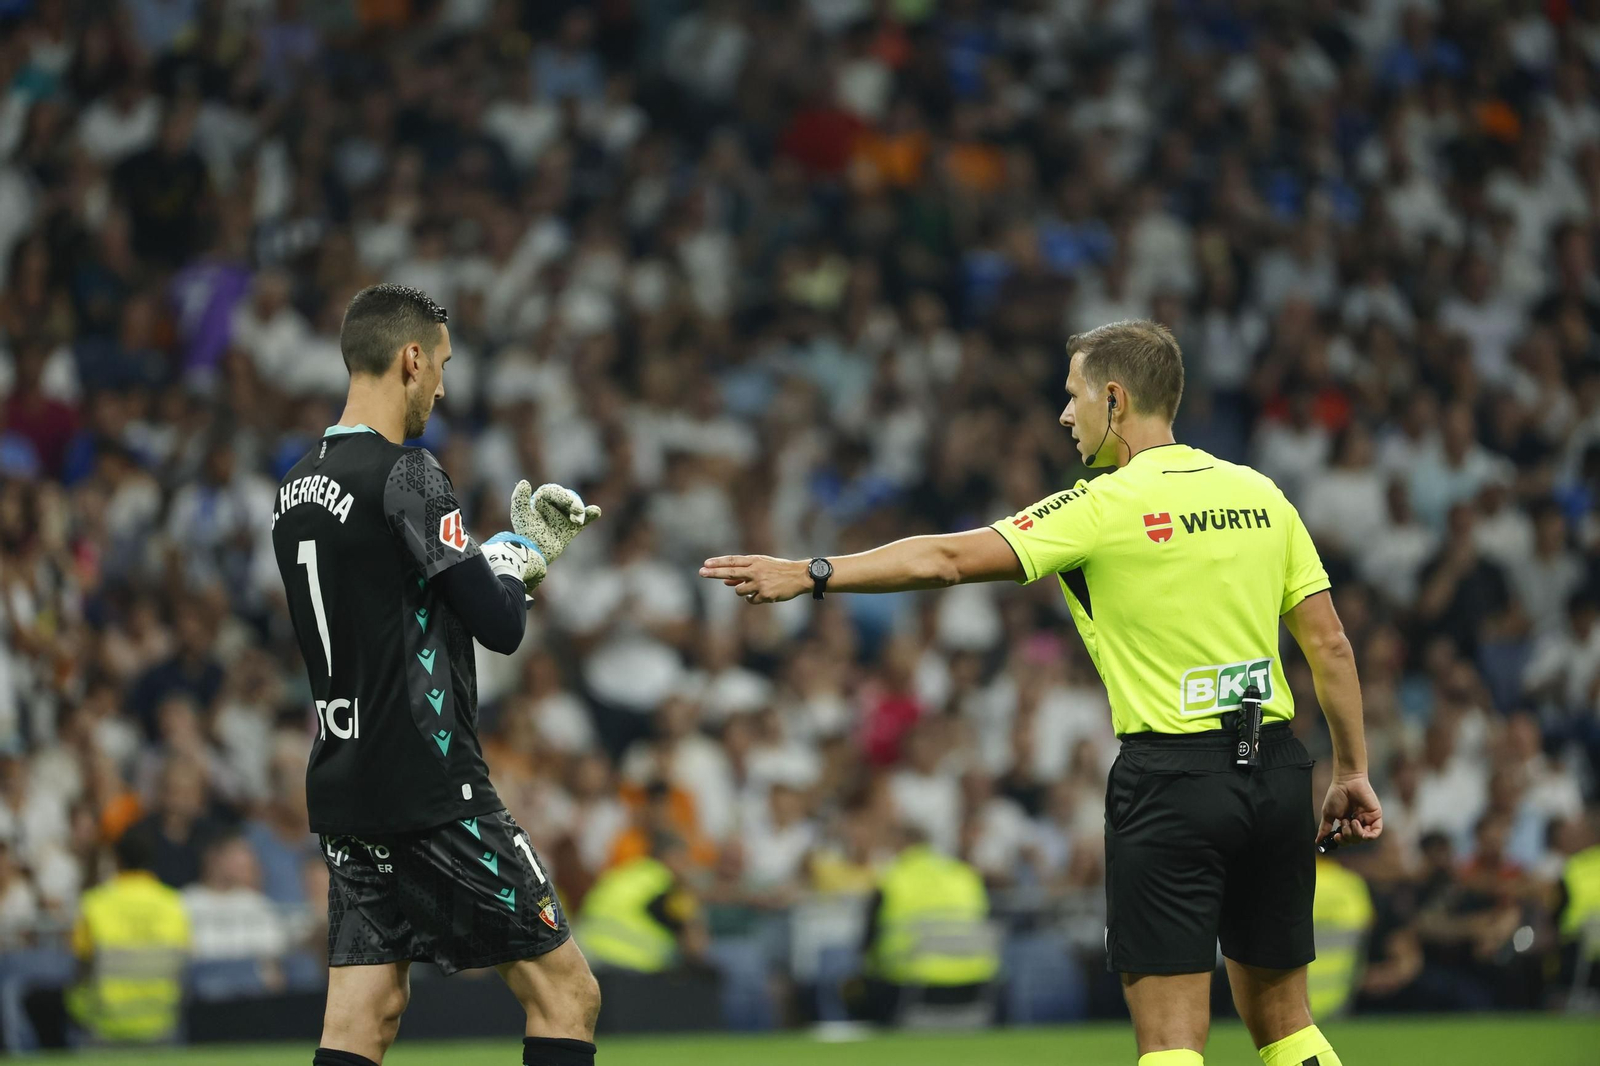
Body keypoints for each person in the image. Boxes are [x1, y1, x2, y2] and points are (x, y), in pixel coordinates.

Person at [700, 320, 1382, 1066]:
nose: (1065, 415)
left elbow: (948, 560)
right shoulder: (1260, 496)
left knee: (1171, 1040)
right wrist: (1350, 772)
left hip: (1174, 780)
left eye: (1073, 395)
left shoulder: (1101, 504)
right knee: (1288, 1025)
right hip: (1277, 770)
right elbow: (1330, 645)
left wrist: (813, 572)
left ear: (1114, 399)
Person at [269, 284, 604, 1066]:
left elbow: (399, 605)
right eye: (443, 365)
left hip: (345, 784)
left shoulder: (293, 488)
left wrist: (487, 563)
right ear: (410, 358)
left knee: (364, 1017)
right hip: (431, 786)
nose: (444, 387)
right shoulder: (409, 475)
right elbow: (500, 626)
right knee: (567, 996)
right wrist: (522, 559)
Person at [25, 826, 191, 1048]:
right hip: (161, 1023)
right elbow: (184, 963)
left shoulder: (95, 904)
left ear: (117, 861)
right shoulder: (173, 904)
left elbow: (77, 965)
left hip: (102, 1024)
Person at [849, 826, 999, 1024]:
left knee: (853, 986)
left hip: (910, 989)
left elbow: (868, 943)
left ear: (900, 845)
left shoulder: (892, 878)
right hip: (974, 985)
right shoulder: (965, 875)